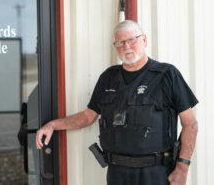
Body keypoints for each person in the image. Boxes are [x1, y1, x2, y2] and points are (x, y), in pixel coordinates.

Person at [35, 20, 198, 185]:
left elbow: (190, 124)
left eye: (131, 40)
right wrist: (53, 125)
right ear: (115, 46)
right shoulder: (108, 78)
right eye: (120, 43)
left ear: (144, 40)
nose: (126, 47)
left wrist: (182, 168)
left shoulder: (167, 75)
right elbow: (87, 117)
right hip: (117, 173)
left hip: (156, 173)